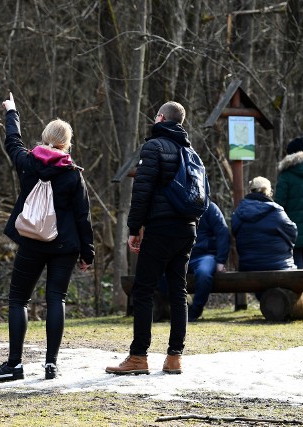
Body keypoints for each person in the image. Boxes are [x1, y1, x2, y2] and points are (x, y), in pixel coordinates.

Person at [0, 93, 94, 382]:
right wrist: (87, 253)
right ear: (67, 144)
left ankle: (15, 365)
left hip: (32, 241)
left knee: (19, 299)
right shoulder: (73, 174)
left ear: (45, 138)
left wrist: (12, 111)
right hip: (65, 246)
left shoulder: (28, 163)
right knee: (56, 299)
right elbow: (83, 216)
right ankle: (50, 364)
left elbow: (13, 141)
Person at [105, 101, 200, 376]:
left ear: (160, 118)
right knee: (178, 291)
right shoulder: (190, 150)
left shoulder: (154, 147)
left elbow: (142, 192)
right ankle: (174, 358)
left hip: (160, 229)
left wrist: (134, 229)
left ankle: (138, 356)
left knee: (144, 290)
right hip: (187, 229)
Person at [231, 176, 303, 315]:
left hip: (248, 266)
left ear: (250, 190)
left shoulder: (238, 212)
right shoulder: (276, 211)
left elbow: (234, 232)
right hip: (278, 265)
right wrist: (287, 246)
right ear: (268, 192)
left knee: (267, 285)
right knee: (293, 282)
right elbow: (293, 232)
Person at [274, 136, 303, 269]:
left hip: (293, 229)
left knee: (297, 265)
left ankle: (300, 290)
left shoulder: (286, 176)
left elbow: (279, 206)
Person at [187, 201, 230, 322]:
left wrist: (221, 260)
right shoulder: (178, 205)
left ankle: (195, 310)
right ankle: (181, 306)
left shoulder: (210, 208)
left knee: (204, 273)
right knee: (164, 273)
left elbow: (222, 232)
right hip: (182, 254)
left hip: (205, 255)